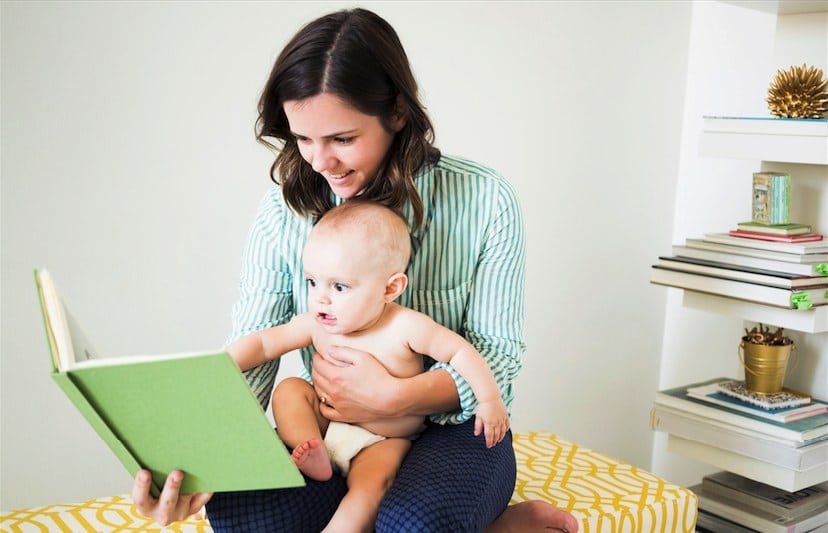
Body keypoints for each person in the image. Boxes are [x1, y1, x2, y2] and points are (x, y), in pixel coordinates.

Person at [132, 7, 579, 533]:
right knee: (241, 513)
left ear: (396, 112)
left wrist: (397, 395)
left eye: (342, 138)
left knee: (414, 523)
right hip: (332, 428)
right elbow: (254, 347)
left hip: (449, 429)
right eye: (303, 139)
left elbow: (497, 360)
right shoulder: (283, 212)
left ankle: (497, 521)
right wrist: (198, 458)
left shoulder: (486, 200)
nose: (320, 161)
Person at [226, 199, 510, 532]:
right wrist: (224, 363)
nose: (321, 298)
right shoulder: (318, 322)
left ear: (391, 288)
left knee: (370, 488)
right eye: (312, 282)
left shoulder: (405, 327)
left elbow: (461, 353)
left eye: (339, 286)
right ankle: (310, 448)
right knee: (290, 391)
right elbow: (264, 343)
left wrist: (489, 400)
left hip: (381, 440)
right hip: (325, 424)